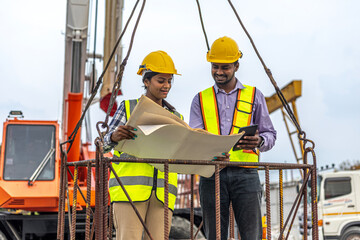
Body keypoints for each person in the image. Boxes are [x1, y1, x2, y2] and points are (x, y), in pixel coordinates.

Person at [189, 36, 277, 240]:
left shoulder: (255, 96)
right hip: (212, 175)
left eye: (225, 67)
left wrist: (260, 141)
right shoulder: (200, 99)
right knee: (215, 236)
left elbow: (270, 134)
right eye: (215, 66)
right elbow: (194, 138)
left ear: (237, 66)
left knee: (251, 235)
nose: (219, 72)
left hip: (246, 175)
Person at [103, 50, 183, 240]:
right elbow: (103, 145)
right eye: (161, 80)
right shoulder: (128, 108)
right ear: (146, 81)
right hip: (129, 192)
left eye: (169, 81)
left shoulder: (176, 118)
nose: (166, 86)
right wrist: (113, 137)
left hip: (162, 196)